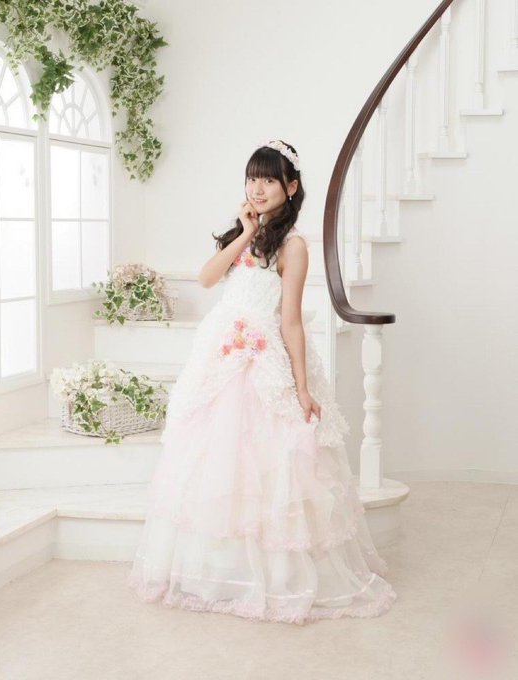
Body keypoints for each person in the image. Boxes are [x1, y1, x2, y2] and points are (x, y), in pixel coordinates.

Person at [127, 139, 397, 624]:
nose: (258, 187)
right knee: (216, 465)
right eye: (253, 178)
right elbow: (207, 278)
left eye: (269, 179)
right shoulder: (244, 234)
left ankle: (276, 576)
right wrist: (246, 232)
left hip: (262, 355)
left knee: (268, 466)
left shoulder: (293, 246)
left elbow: (290, 320)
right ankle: (222, 572)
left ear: (291, 188)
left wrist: (302, 387)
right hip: (221, 355)